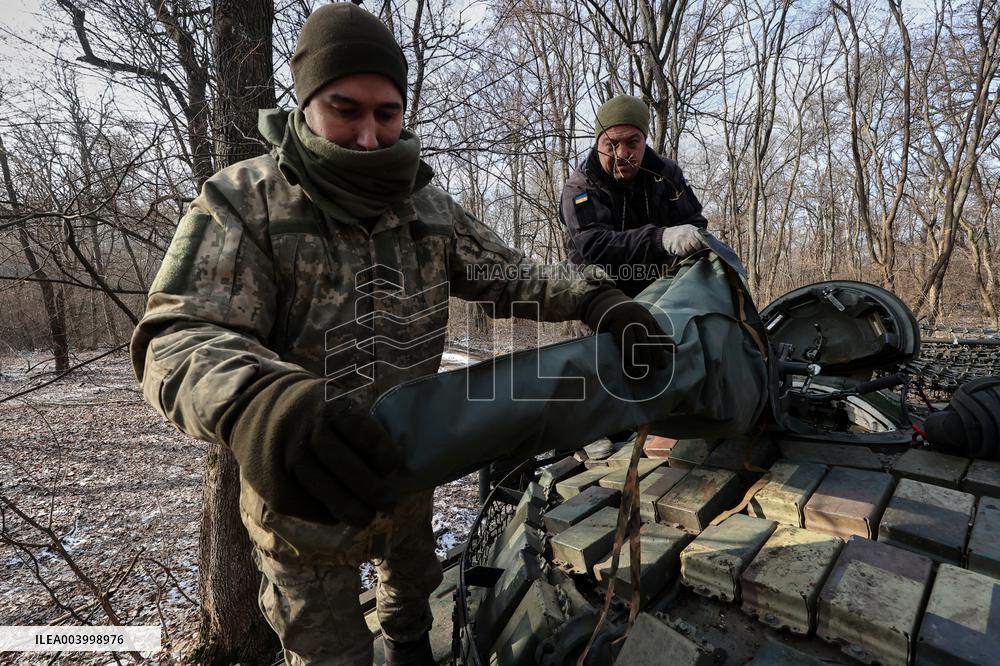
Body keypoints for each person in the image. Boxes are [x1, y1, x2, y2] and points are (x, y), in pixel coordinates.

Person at [129, 5, 667, 665]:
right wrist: (258, 406)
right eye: (345, 109)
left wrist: (598, 297)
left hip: (409, 468)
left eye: (387, 114)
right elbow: (177, 336)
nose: (368, 136)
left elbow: (512, 275)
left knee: (412, 605)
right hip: (304, 496)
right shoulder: (245, 202)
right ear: (305, 105)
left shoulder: (426, 207)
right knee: (330, 653)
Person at [560, 94, 709, 298]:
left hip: (666, 292)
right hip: (602, 296)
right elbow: (595, 246)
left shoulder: (666, 173)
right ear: (597, 145)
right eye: (611, 144)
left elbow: (694, 224)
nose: (622, 154)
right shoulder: (580, 187)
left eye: (632, 142)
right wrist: (661, 238)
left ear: (644, 142)